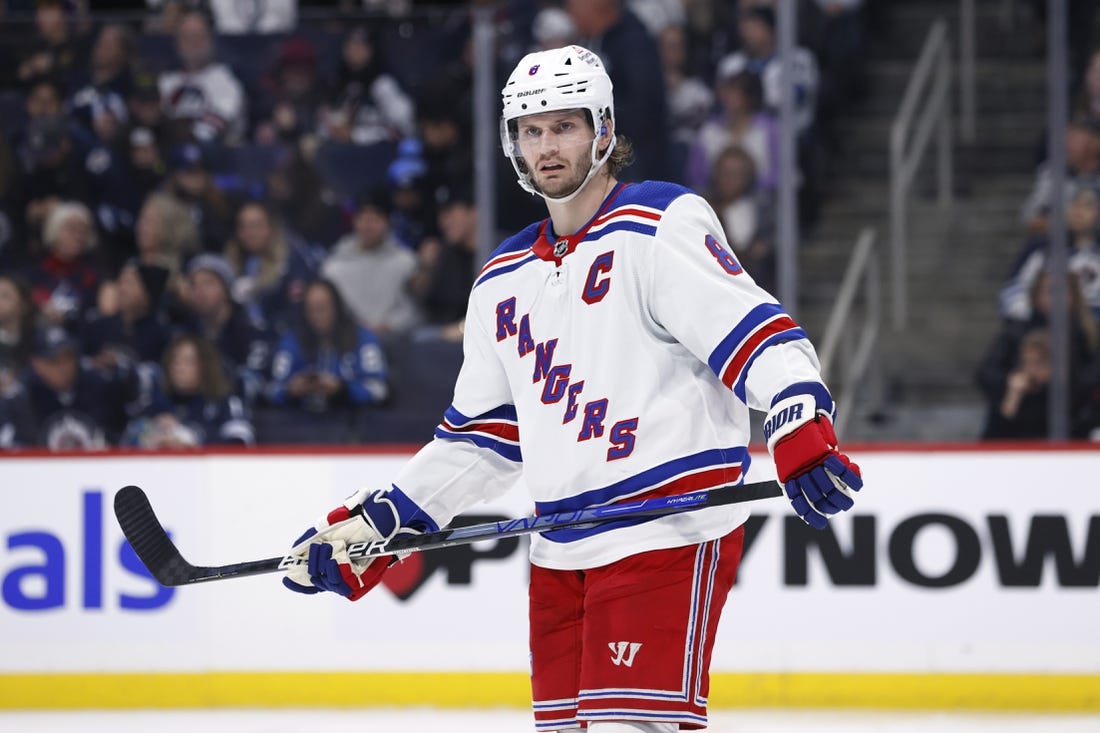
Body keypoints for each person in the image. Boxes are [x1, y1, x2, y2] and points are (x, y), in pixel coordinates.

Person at [282, 45, 863, 732]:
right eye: (531, 130)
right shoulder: (500, 279)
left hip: (665, 533)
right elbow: (480, 441)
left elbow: (758, 336)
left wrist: (796, 416)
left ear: (604, 131)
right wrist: (381, 522)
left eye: (564, 125)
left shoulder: (659, 225)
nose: (547, 146)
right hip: (559, 553)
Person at [266, 278, 389, 413]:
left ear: (337, 307)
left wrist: (342, 389)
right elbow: (272, 389)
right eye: (310, 310)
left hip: (352, 423)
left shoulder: (364, 339)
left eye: (322, 309)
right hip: (301, 424)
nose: (316, 316)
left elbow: (379, 389)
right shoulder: (291, 340)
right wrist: (291, 391)